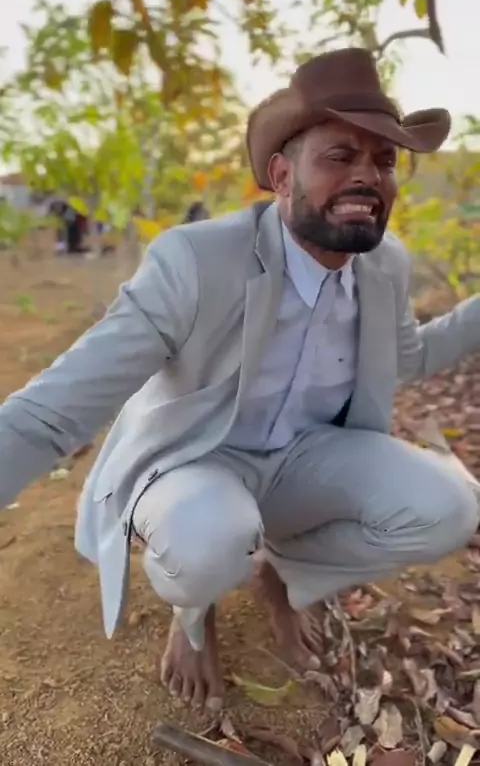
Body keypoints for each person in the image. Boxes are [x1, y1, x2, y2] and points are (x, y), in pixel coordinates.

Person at [1, 48, 479, 712]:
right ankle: (193, 612)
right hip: (198, 461)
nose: (368, 176)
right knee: (207, 543)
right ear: (281, 176)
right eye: (340, 156)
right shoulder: (196, 261)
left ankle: (281, 574)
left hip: (306, 458)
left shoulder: (384, 265)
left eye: (385, 161)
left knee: (449, 507)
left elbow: (410, 358)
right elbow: (52, 412)